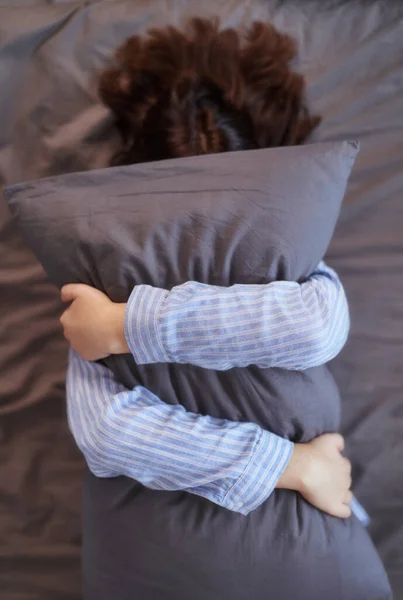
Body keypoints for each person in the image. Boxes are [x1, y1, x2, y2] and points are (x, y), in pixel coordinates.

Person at [61, 18, 365, 523]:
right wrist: (289, 465)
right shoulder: (107, 271)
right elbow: (106, 434)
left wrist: (125, 327)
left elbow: (316, 327)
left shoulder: (285, 248)